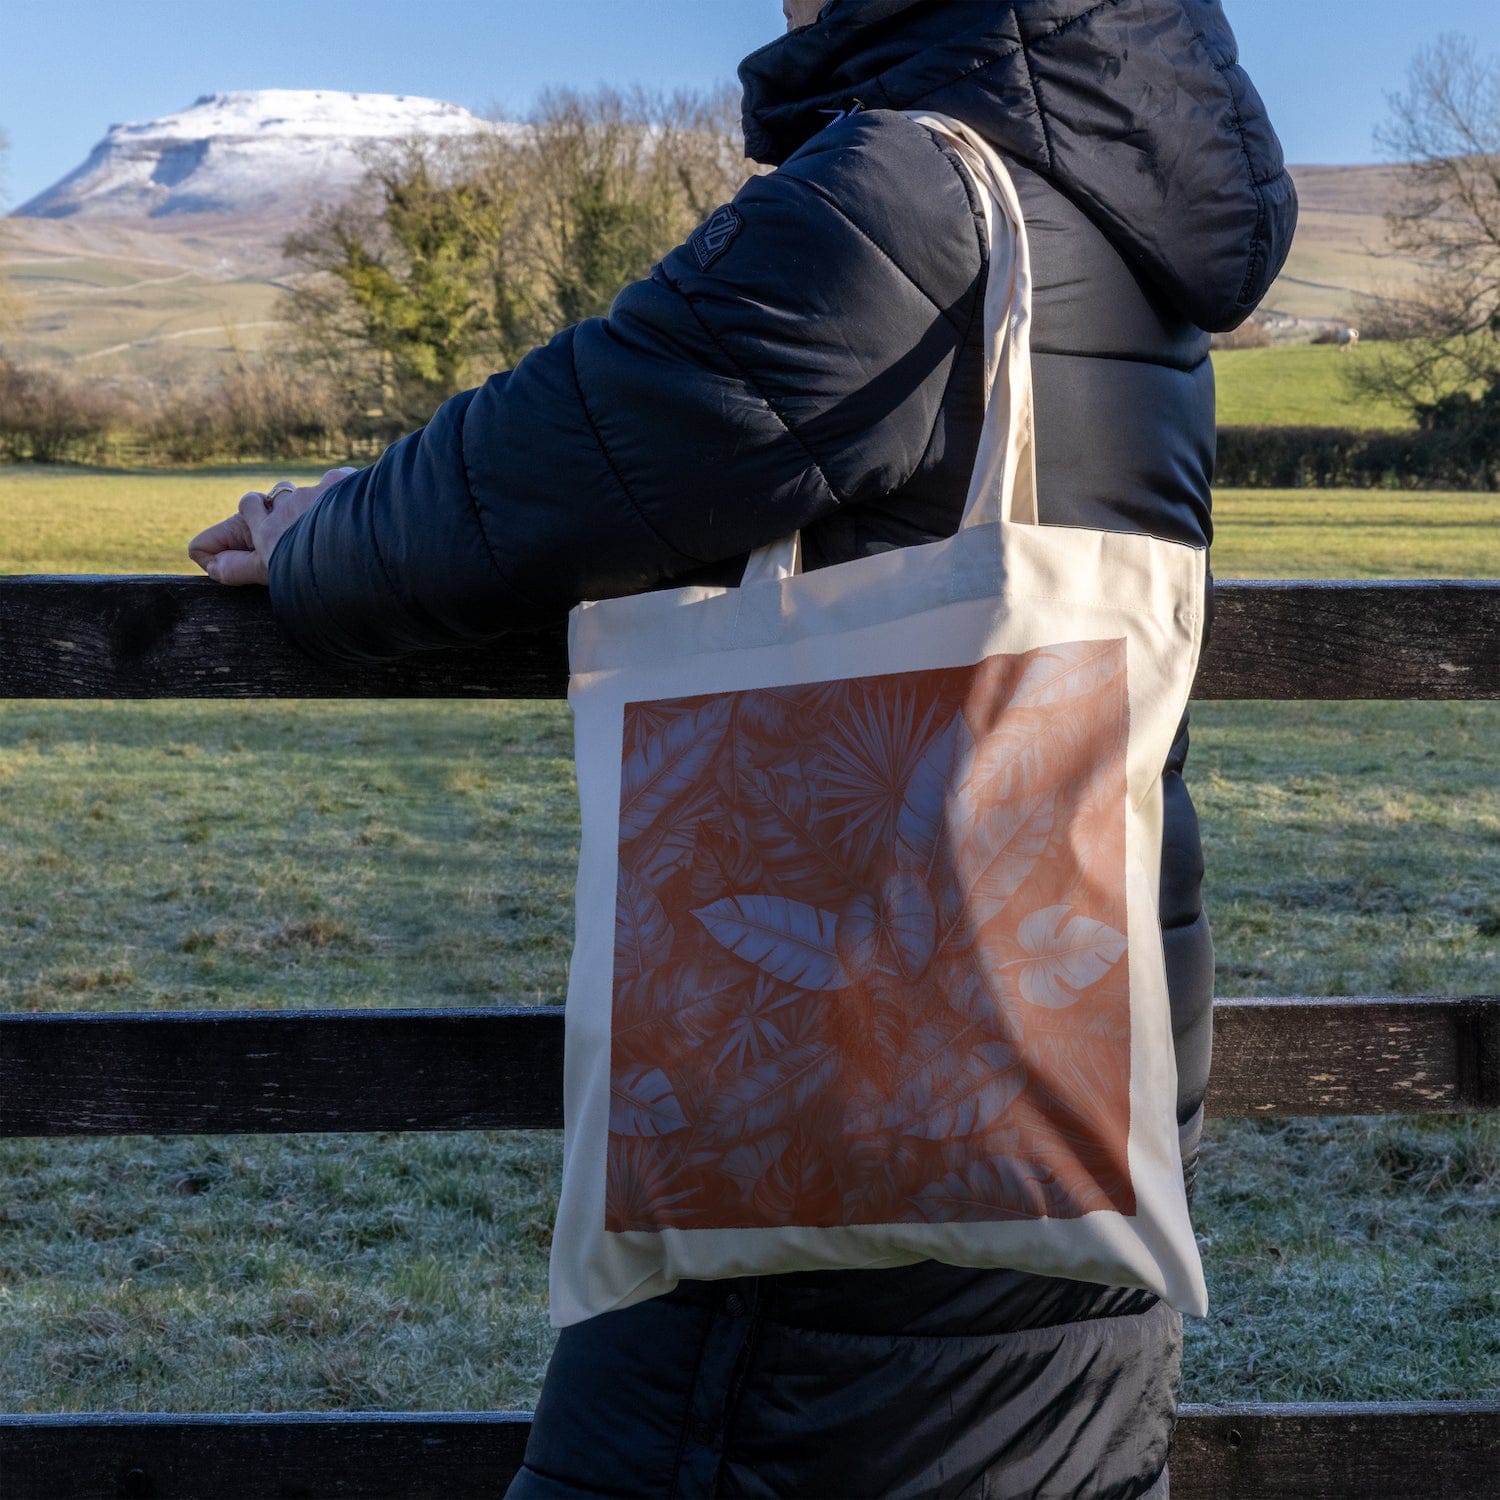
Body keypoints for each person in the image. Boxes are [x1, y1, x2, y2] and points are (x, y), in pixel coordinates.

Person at [190, 1, 1295, 1493]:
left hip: (857, 1104)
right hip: (1076, 1056)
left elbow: (571, 453)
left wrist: (323, 528)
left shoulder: (907, 193)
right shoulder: (1111, 186)